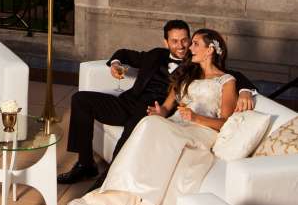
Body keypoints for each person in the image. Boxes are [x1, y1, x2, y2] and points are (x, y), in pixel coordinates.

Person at [66, 28, 237, 205]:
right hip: (174, 123)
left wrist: (197, 117)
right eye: (185, 42)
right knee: (150, 122)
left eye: (194, 43)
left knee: (151, 127)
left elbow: (226, 122)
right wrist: (160, 113)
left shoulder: (227, 81)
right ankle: (118, 189)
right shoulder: (187, 73)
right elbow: (166, 107)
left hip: (201, 129)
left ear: (210, 50)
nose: (188, 47)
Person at [57, 19, 257, 187]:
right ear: (166, 42)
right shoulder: (155, 56)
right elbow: (124, 53)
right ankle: (85, 164)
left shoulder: (195, 65)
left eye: (185, 40)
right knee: (80, 99)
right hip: (128, 102)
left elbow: (228, 75)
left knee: (138, 122)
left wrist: (245, 90)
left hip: (157, 111)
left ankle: (108, 178)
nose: (181, 46)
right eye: (174, 41)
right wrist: (116, 64)